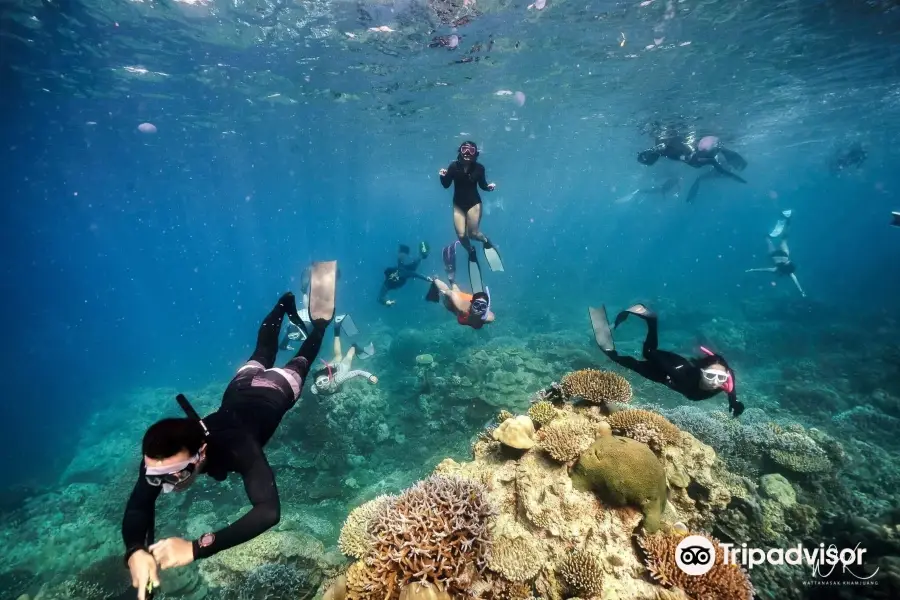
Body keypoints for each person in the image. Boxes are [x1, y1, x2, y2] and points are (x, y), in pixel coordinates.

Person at [121, 262, 339, 600]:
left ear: (201, 453)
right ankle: (284, 304)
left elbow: (268, 511)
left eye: (174, 476)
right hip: (238, 389)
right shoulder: (165, 452)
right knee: (262, 351)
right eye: (159, 476)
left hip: (273, 391)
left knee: (300, 360)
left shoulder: (239, 447)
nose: (164, 486)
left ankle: (321, 325)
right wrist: (136, 550)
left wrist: (196, 548)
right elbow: (139, 506)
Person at [588, 303, 745, 417]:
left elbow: (730, 383)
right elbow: (660, 361)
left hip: (674, 377)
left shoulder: (726, 380)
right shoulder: (682, 375)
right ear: (701, 371)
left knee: (645, 356)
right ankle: (650, 321)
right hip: (669, 369)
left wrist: (734, 402)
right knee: (645, 354)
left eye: (721, 377)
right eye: (711, 375)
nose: (715, 381)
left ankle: (649, 322)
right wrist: (652, 357)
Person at [438, 141, 502, 292]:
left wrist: (489, 188)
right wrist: (442, 176)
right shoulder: (453, 167)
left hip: (474, 204)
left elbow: (482, 185)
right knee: (461, 235)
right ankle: (471, 251)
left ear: (476, 154)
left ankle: (485, 241)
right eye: (464, 149)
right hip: (458, 205)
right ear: (459, 151)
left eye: (471, 150)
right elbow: (446, 185)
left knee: (472, 233)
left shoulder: (479, 168)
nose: (467, 153)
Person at [637, 132, 747, 203]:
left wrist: (736, 178)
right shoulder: (688, 151)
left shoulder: (709, 159)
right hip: (670, 147)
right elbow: (666, 146)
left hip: (672, 149)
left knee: (652, 158)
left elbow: (722, 171)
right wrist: (654, 150)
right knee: (650, 160)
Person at [424, 241, 495, 329]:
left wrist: (485, 314)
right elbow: (453, 294)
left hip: (465, 298)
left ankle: (452, 281)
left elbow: (492, 316)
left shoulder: (486, 317)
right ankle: (435, 279)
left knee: (456, 294)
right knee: (448, 301)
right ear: (472, 304)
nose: (478, 309)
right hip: (458, 299)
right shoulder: (462, 308)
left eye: (482, 307)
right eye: (477, 305)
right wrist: (446, 292)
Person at [309, 315, 377, 395]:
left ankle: (354, 347)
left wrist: (370, 376)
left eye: (324, 380)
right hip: (328, 368)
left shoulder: (339, 379)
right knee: (338, 356)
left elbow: (357, 372)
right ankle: (336, 327)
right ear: (316, 385)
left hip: (341, 369)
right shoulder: (314, 389)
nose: (323, 384)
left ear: (329, 378)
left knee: (348, 357)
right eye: (319, 383)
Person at [745, 210, 806, 297]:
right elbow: (764, 269)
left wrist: (801, 291)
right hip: (775, 255)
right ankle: (768, 237)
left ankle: (788, 220)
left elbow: (797, 282)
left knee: (784, 239)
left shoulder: (789, 272)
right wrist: (752, 270)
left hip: (785, 255)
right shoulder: (778, 270)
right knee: (768, 241)